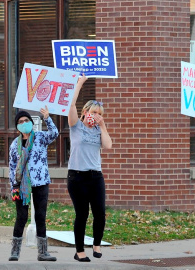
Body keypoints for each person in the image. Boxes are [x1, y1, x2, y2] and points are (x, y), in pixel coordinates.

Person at [67, 74, 112, 262]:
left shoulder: (98, 130)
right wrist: (79, 84)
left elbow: (108, 145)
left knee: (100, 212)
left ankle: (96, 244)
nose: (97, 116)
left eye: (100, 113)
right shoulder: (76, 126)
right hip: (77, 177)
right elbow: (70, 105)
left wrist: (103, 126)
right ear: (86, 112)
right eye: (94, 112)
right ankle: (79, 252)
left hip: (95, 177)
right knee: (82, 214)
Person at [8, 106, 58, 262]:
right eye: (21, 121)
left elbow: (55, 134)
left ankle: (43, 253)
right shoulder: (14, 145)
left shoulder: (40, 137)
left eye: (26, 120)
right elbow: (11, 167)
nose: (24, 123)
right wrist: (13, 187)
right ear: (17, 127)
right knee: (21, 217)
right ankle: (15, 252)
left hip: (41, 182)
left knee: (41, 216)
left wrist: (47, 118)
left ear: (31, 122)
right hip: (21, 185)